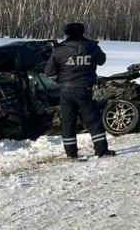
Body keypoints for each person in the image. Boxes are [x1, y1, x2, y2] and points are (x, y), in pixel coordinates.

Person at [44, 23, 115, 158]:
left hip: (66, 91)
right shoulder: (91, 47)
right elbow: (102, 60)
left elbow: (48, 71)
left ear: (67, 33)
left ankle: (71, 154)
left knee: (68, 122)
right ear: (82, 32)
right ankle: (101, 151)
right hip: (85, 89)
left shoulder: (59, 50)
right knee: (93, 120)